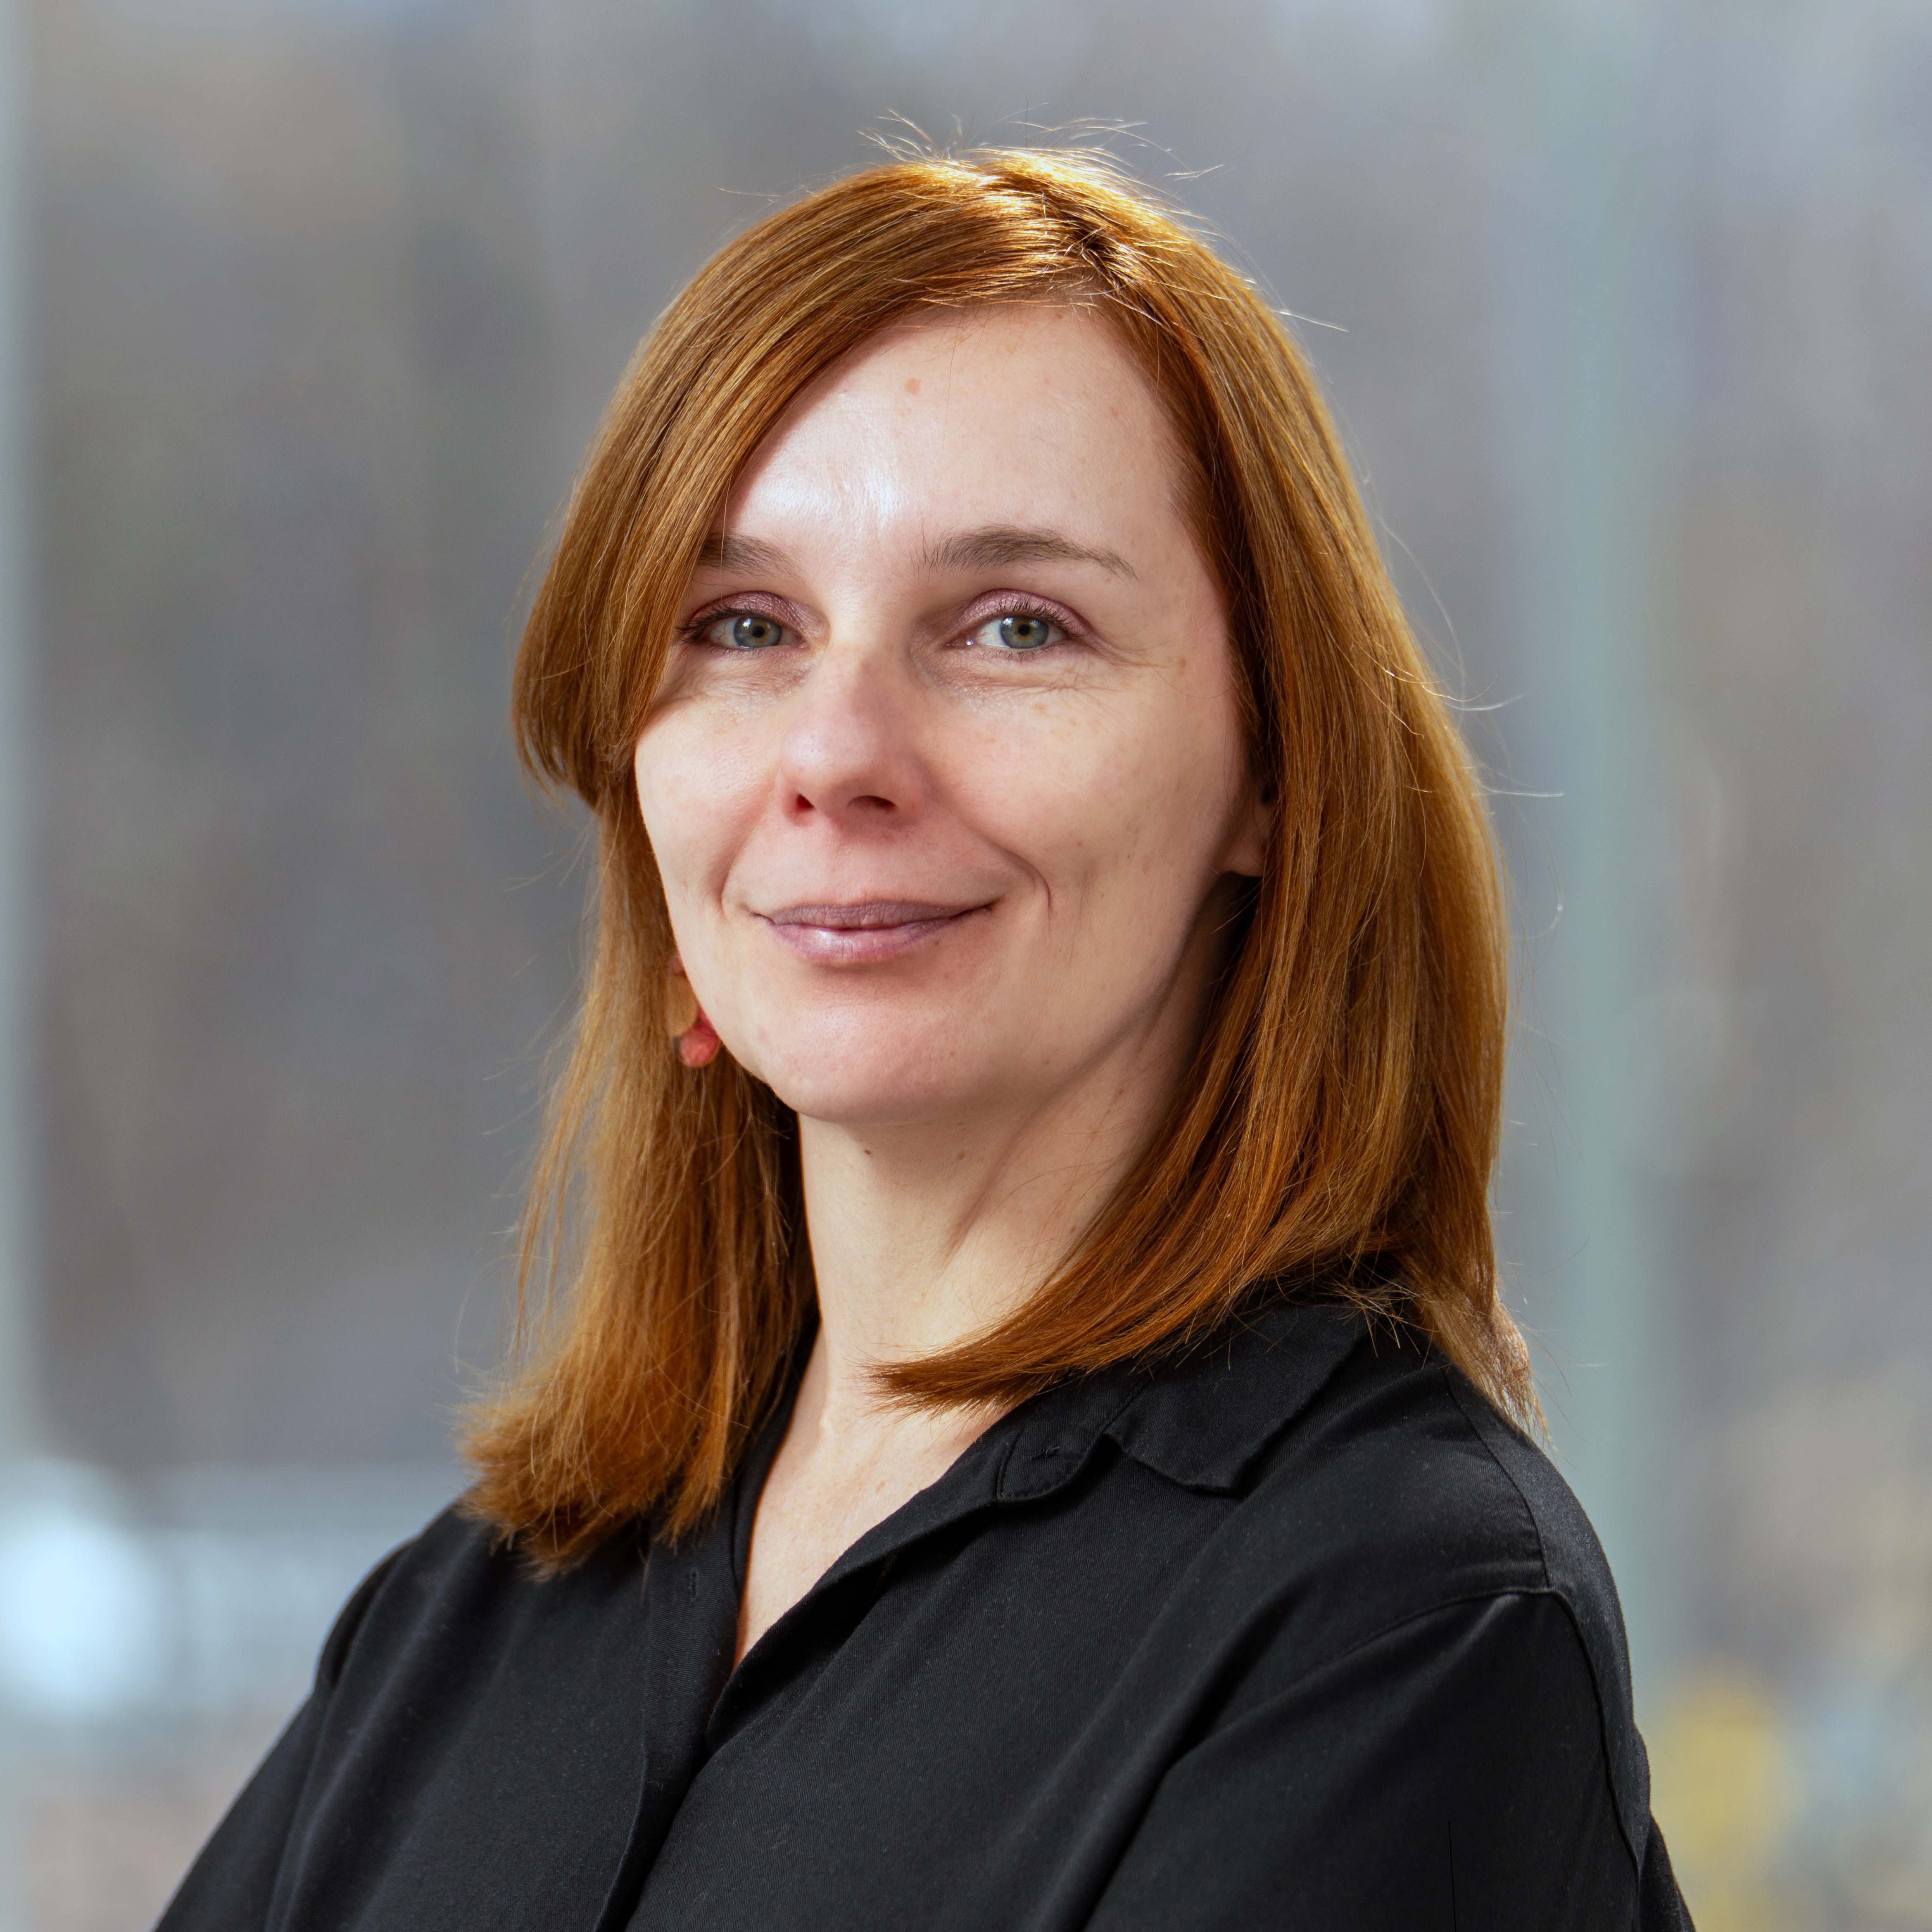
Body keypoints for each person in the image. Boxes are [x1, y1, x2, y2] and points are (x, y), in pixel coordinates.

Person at [158, 145, 1693, 1930]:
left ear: (1275, 770)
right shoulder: (472, 1622)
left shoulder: (1402, 1625)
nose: (838, 753)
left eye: (1016, 626)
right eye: (742, 627)